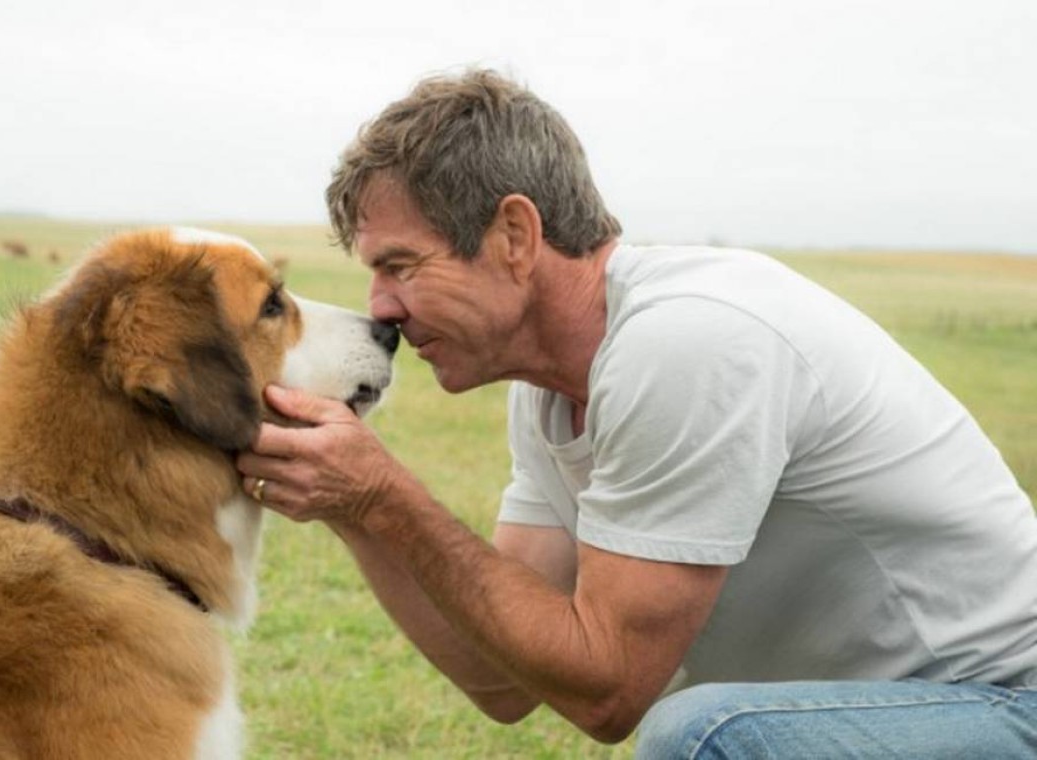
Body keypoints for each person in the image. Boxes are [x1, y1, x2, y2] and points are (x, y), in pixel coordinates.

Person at [235, 69, 1037, 757]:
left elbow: (606, 692)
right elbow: (505, 679)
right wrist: (350, 511)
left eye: (401, 266)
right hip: (890, 722)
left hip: (1007, 704)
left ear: (514, 234)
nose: (381, 309)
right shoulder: (552, 391)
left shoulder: (688, 340)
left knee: (706, 736)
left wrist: (385, 495)